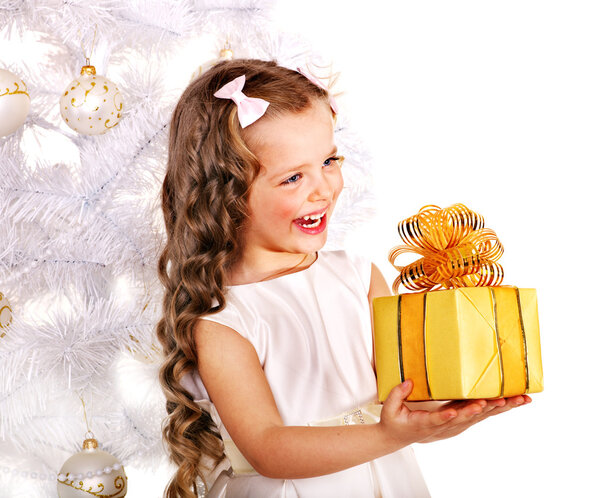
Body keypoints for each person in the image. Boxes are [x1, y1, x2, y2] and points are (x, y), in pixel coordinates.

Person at [156, 58, 531, 498]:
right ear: (227, 194)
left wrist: (455, 404)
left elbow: (405, 402)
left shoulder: (358, 277)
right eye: (293, 177)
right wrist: (391, 435)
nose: (324, 188)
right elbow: (267, 448)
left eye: (329, 160)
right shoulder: (224, 322)